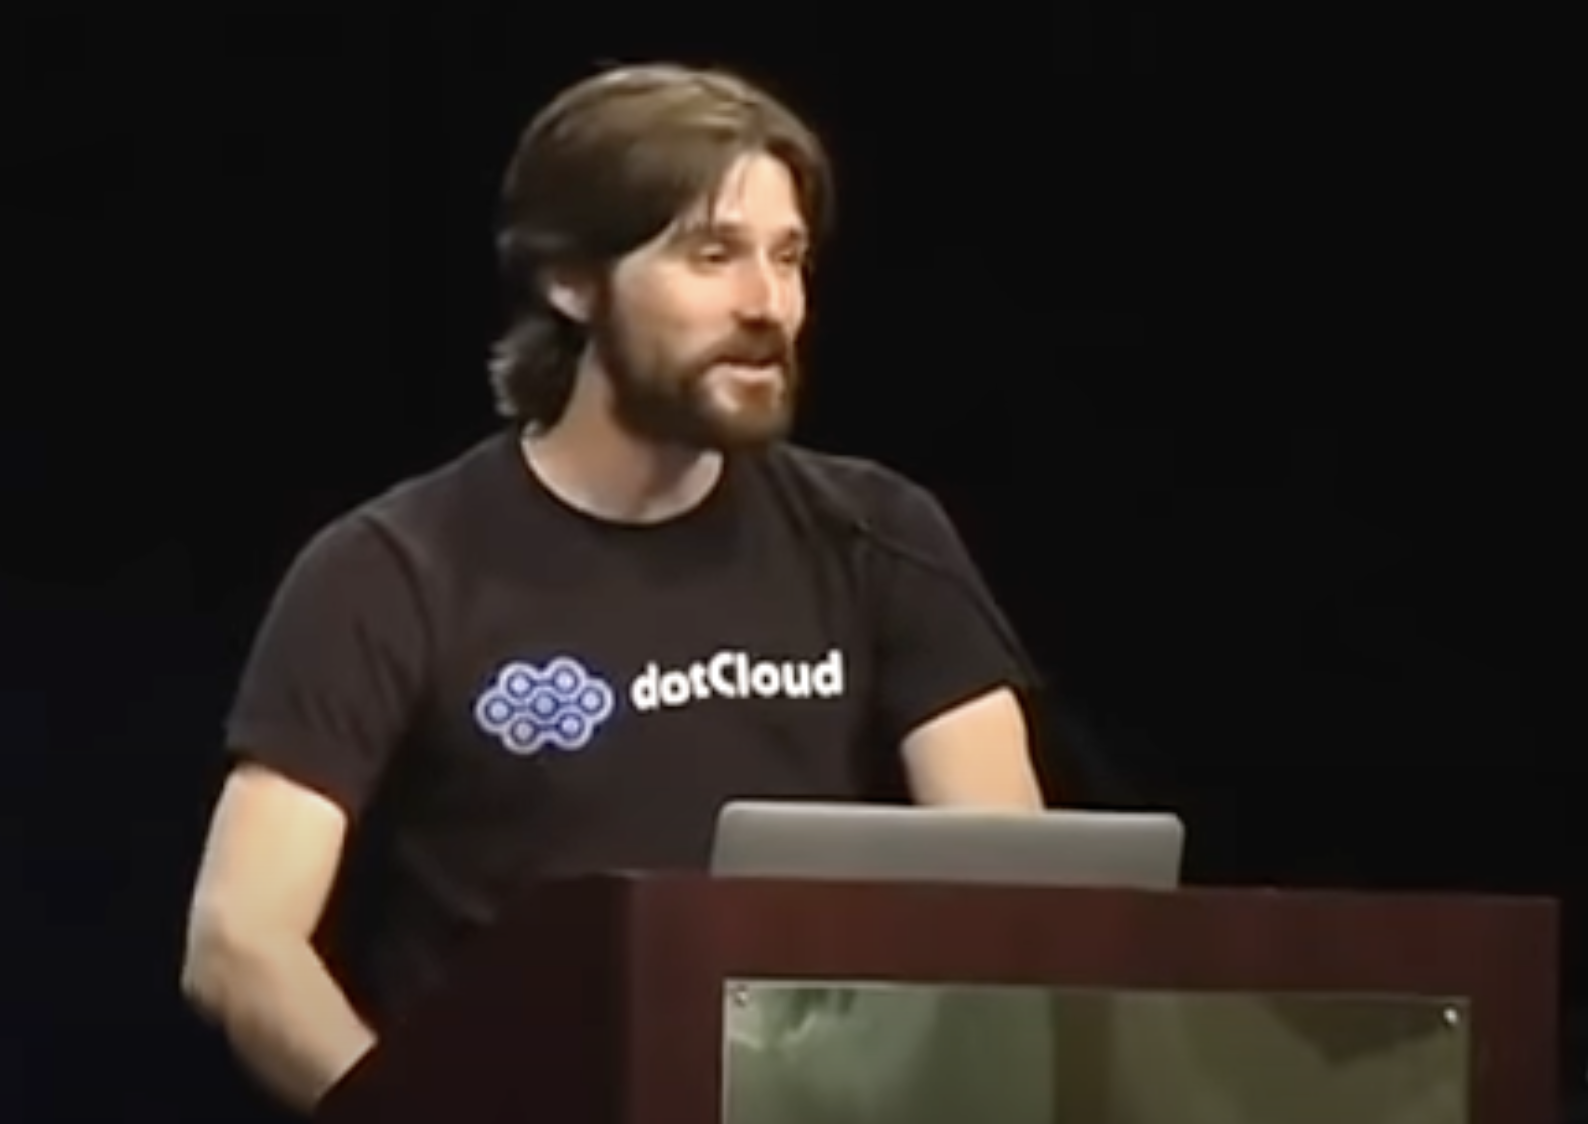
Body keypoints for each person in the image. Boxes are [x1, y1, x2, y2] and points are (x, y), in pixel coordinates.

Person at [180, 61, 1048, 1116]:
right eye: (711, 255)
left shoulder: (879, 537)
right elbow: (241, 941)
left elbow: (1030, 912)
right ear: (570, 282)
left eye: (788, 257)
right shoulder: (390, 569)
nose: (768, 305)